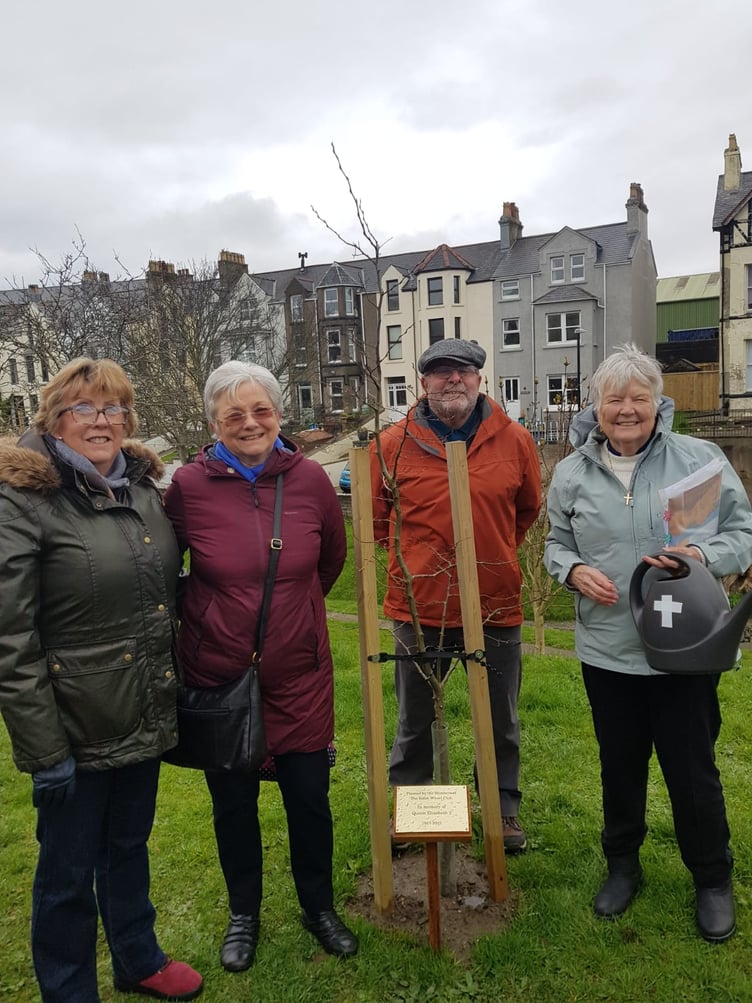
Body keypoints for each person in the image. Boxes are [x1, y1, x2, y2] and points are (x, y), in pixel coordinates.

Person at [0, 359, 203, 1002]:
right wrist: (44, 749)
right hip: (72, 725)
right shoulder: (22, 498)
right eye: (85, 408)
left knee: (129, 846)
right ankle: (68, 990)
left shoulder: (141, 487)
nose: (102, 421)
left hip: (139, 706)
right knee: (65, 873)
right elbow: (11, 637)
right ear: (53, 417)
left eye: (115, 409)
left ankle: (137, 957)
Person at [544, 343, 752, 942]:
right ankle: (623, 866)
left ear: (657, 403)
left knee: (693, 772)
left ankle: (712, 879)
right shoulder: (571, 472)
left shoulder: (697, 461)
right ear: (597, 406)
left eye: (639, 398)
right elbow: (557, 542)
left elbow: (741, 534)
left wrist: (700, 553)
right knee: (620, 766)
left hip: (684, 652)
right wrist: (570, 570)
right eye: (615, 399)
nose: (627, 410)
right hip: (608, 651)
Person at [163, 360, 357, 972]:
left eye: (261, 410)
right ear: (214, 421)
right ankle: (243, 911)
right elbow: (169, 574)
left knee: (309, 797)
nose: (250, 422)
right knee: (233, 803)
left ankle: (318, 905)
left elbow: (330, 562)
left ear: (279, 413)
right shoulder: (188, 488)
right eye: (234, 413)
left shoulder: (310, 482)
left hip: (299, 673)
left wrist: (289, 617)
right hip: (220, 675)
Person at [370, 338, 542, 852]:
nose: (453, 381)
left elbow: (526, 510)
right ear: (423, 384)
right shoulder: (392, 444)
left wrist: (490, 554)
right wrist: (421, 564)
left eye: (463, 372)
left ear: (479, 380)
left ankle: (501, 807)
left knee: (500, 716)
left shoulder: (515, 441)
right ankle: (411, 805)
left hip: (495, 604)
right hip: (418, 609)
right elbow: (381, 523)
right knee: (414, 716)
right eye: (441, 372)